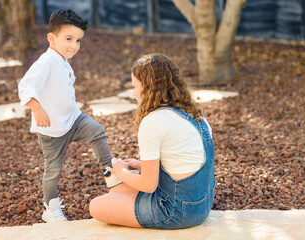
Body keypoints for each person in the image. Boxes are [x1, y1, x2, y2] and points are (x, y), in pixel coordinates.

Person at [18, 9, 122, 223]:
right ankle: (50, 207)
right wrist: (37, 108)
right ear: (51, 38)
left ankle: (109, 171)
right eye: (68, 39)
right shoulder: (46, 62)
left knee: (96, 130)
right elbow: (25, 85)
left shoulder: (62, 60)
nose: (74, 46)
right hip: (52, 129)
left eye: (78, 40)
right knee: (53, 169)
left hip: (72, 119)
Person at [89, 53, 215, 229]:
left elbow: (148, 185)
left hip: (175, 212)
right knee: (117, 191)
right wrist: (142, 165)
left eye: (135, 86)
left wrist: (121, 171)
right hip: (202, 204)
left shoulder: (153, 121)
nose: (134, 93)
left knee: (96, 206)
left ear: (148, 88)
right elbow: (184, 159)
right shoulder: (195, 114)